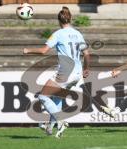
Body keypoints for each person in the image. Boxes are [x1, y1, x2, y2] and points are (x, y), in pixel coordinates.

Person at [23, 6, 90, 138]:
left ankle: (60, 120)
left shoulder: (58, 34)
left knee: (43, 96)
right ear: (70, 18)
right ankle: (50, 127)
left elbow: (44, 51)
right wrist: (86, 69)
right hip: (77, 74)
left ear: (59, 21)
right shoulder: (78, 34)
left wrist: (27, 50)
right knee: (57, 98)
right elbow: (87, 54)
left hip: (65, 72)